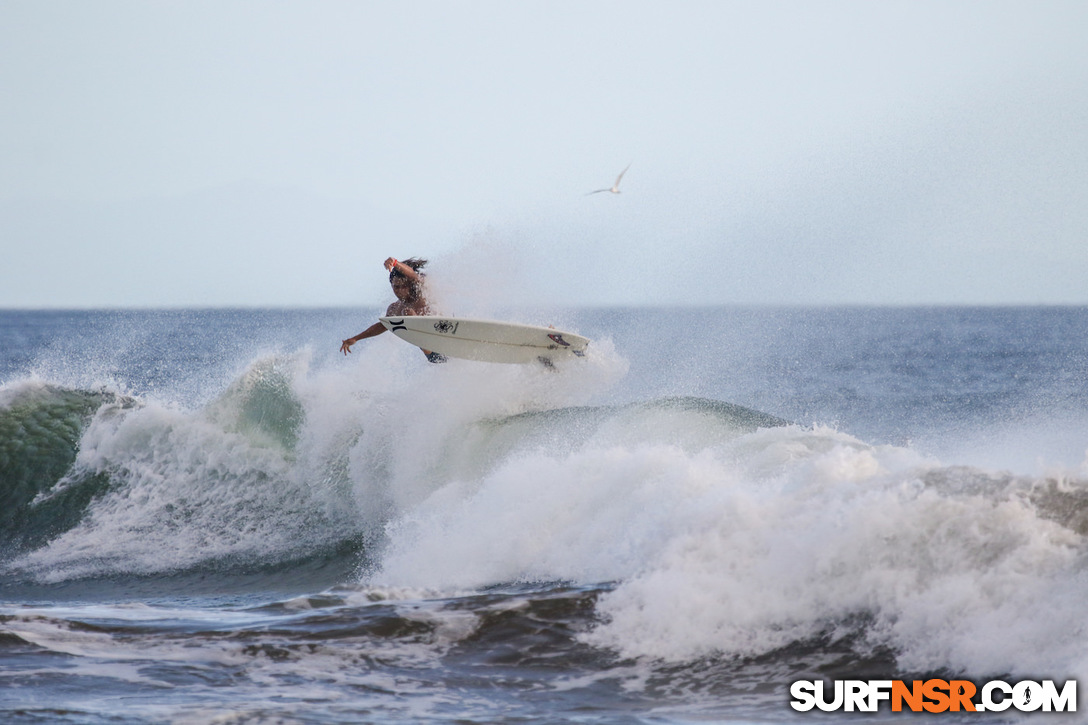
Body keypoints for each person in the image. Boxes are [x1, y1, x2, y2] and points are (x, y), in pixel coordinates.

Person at [340, 257, 447, 362]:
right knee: (406, 312)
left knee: (408, 311)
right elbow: (384, 325)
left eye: (404, 286)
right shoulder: (395, 308)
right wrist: (356, 338)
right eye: (396, 287)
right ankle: (427, 346)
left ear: (410, 285)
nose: (400, 291)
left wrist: (395, 263)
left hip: (445, 334)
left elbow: (413, 275)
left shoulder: (421, 292)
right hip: (434, 354)